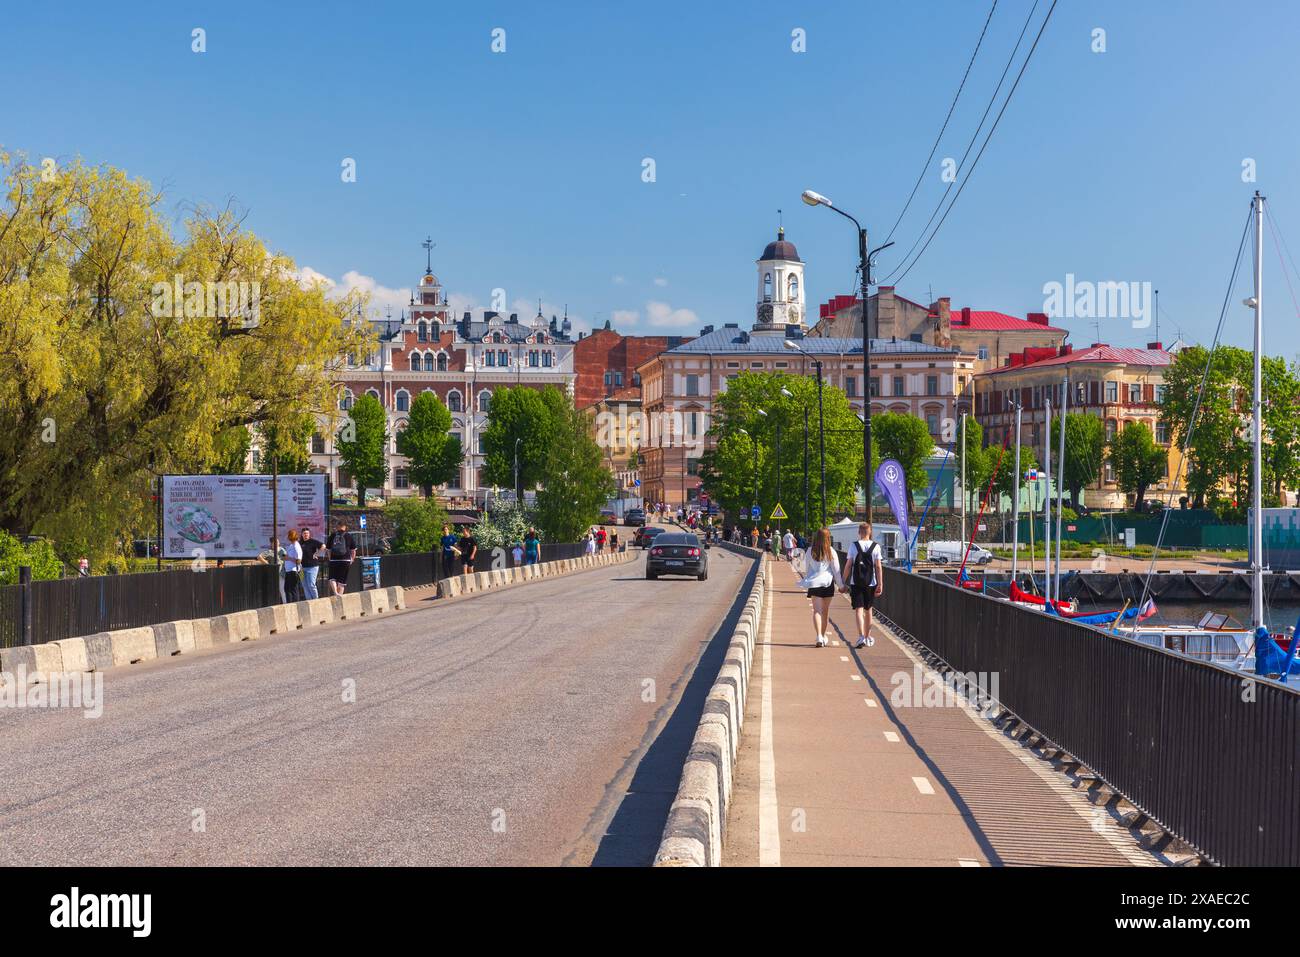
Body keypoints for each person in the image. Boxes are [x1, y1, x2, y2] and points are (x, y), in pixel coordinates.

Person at [796, 527, 846, 648]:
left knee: (817, 611)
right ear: (828, 538)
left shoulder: (810, 551)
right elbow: (836, 571)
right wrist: (841, 586)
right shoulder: (831, 551)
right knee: (825, 612)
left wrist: (808, 579)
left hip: (814, 584)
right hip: (828, 584)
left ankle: (818, 636)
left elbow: (805, 568)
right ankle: (822, 636)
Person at [842, 522, 884, 650]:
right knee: (868, 610)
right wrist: (880, 584)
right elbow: (878, 566)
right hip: (870, 582)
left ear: (859, 532)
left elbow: (849, 565)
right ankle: (867, 636)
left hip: (856, 582)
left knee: (858, 610)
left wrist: (842, 581)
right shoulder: (876, 547)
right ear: (870, 532)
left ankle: (860, 636)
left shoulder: (854, 546)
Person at [326, 523, 357, 596]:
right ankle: (340, 596)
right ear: (345, 527)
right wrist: (352, 559)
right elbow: (353, 550)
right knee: (342, 581)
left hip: (334, 560)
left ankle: (335, 593)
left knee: (332, 578)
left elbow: (328, 550)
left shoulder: (332, 535)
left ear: (337, 527)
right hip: (345, 560)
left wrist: (330, 558)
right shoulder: (348, 536)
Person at [300, 526, 326, 599]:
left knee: (311, 584)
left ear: (309, 534)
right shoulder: (299, 543)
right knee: (304, 585)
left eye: (307, 533)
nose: (306, 535)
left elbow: (323, 546)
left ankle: (316, 600)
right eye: (304, 533)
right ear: (302, 534)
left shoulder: (312, 541)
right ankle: (309, 600)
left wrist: (317, 553)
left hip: (312, 567)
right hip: (301, 568)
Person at [282, 528, 303, 603]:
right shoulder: (291, 545)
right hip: (289, 570)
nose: (288, 537)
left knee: (293, 589)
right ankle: (289, 604)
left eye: (289, 535)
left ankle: (294, 605)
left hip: (293, 571)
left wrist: (288, 558)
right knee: (287, 589)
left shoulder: (296, 546)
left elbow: (298, 561)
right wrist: (286, 557)